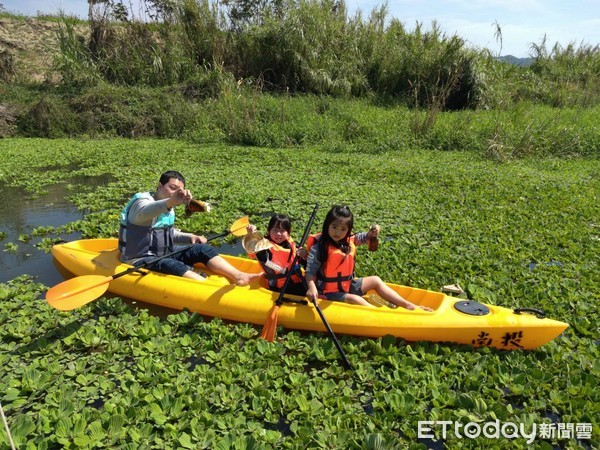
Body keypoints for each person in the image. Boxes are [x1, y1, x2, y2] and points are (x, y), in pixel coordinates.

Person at [118, 170, 262, 286]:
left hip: (164, 252)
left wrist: (190, 237)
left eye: (179, 190)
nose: (175, 193)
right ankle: (207, 287)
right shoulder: (141, 204)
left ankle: (239, 275)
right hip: (139, 258)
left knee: (202, 249)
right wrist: (171, 201)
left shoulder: (168, 206)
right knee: (172, 264)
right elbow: (145, 212)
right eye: (172, 188)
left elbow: (163, 233)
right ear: (160, 186)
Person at [305, 205, 433, 311]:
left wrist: (373, 232)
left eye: (343, 229)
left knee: (375, 280)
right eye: (334, 227)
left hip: (347, 285)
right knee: (355, 299)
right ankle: (380, 316)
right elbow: (310, 273)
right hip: (327, 292)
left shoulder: (349, 240)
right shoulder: (319, 248)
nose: (338, 233)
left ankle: (409, 306)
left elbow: (364, 237)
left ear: (348, 230)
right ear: (327, 225)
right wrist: (311, 287)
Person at [245, 214, 307, 295]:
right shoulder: (263, 246)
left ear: (288, 232)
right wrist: (251, 235)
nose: (278, 234)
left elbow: (305, 263)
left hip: (297, 280)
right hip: (280, 287)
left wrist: (305, 255)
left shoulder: (289, 243)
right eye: (275, 230)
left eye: (282, 230)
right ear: (269, 231)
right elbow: (252, 249)